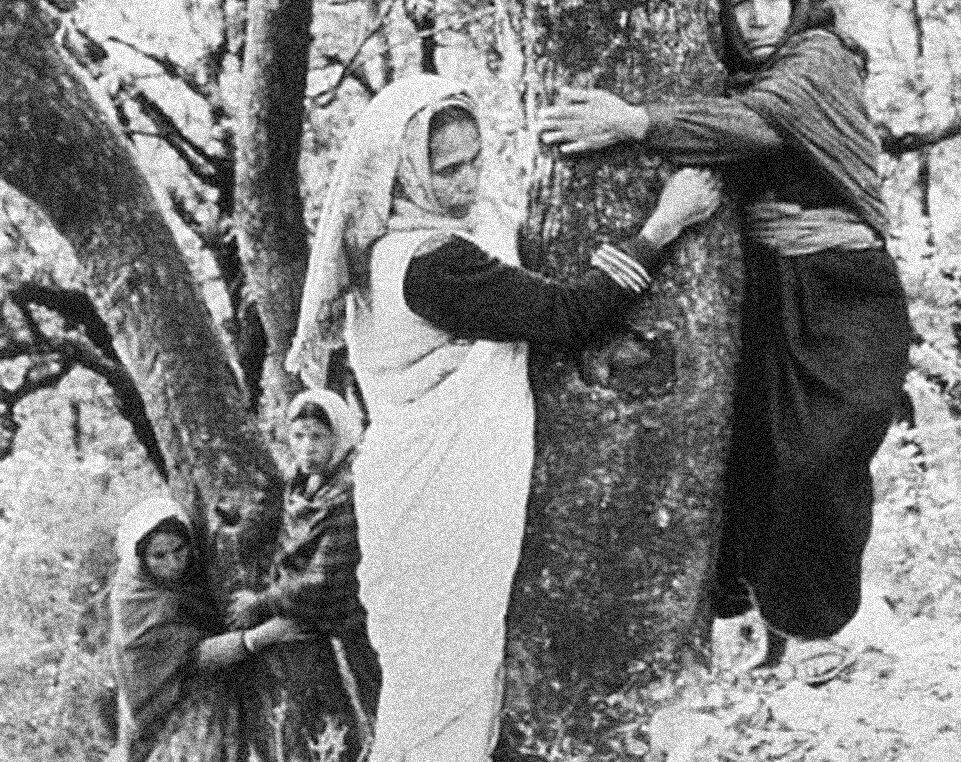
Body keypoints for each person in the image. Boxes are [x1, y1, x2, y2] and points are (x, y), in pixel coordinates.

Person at [287, 72, 720, 762]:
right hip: (439, 499)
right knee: (440, 691)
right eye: (445, 167)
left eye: (473, 160)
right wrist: (662, 223)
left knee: (436, 689)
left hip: (416, 484)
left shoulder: (396, 241)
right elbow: (564, 315)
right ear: (403, 171)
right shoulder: (433, 262)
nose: (465, 182)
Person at [538, 0, 913, 683]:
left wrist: (634, 121)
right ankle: (765, 626)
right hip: (771, 288)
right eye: (739, 0)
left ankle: (815, 626)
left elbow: (754, 129)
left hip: (844, 285)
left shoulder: (818, 62)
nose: (756, 15)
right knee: (752, 449)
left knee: (820, 451)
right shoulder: (731, 80)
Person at [229, 389, 382, 734]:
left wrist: (263, 603)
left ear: (339, 437)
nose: (307, 447)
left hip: (351, 621)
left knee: (375, 710)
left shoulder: (348, 491)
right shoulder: (302, 484)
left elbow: (328, 577)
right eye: (298, 436)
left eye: (318, 436)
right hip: (306, 612)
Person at [110, 496, 306, 762]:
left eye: (179, 550)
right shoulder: (136, 600)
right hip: (167, 712)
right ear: (140, 559)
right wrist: (264, 635)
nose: (173, 563)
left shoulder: (193, 576)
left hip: (216, 696)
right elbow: (192, 656)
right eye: (159, 556)